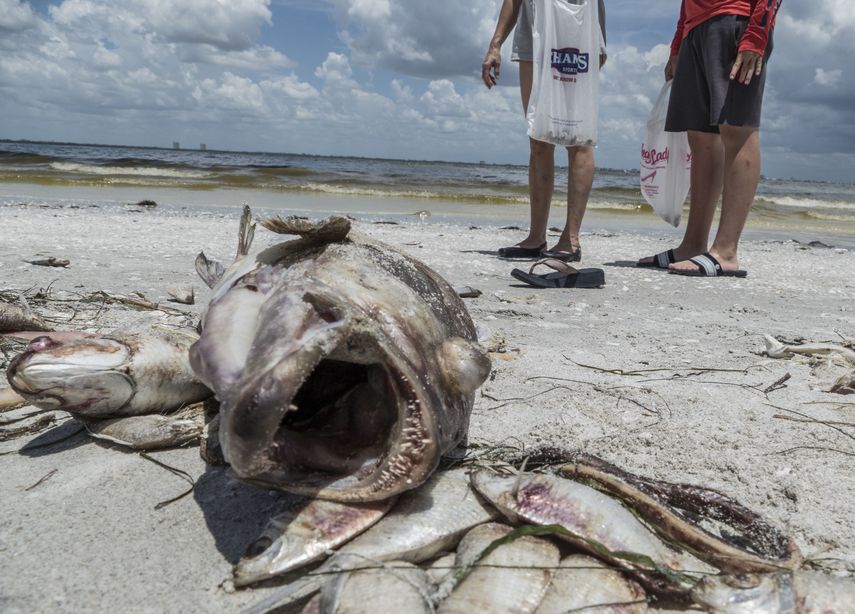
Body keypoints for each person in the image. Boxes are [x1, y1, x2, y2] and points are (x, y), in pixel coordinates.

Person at [638, 0, 782, 277]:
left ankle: (726, 251)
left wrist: (757, 33)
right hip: (696, 27)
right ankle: (692, 244)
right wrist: (678, 43)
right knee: (700, 136)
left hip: (738, 19)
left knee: (737, 128)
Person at [483, 0, 606, 262]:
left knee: (579, 138)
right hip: (533, 28)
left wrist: (599, 39)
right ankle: (536, 236)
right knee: (538, 138)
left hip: (576, 27)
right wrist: (495, 44)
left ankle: (571, 239)